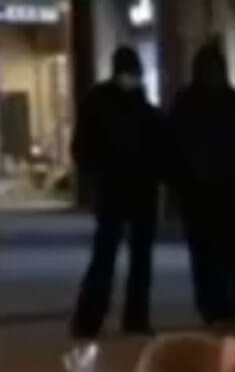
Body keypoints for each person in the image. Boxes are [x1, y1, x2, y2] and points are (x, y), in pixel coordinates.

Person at [70, 46, 168, 338]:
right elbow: (82, 147)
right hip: (114, 189)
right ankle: (93, 319)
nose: (133, 78)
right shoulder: (102, 104)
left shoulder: (139, 106)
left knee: (134, 258)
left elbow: (160, 145)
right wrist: (97, 175)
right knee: (107, 257)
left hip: (137, 190)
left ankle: (131, 318)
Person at [168, 44, 235, 325]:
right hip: (202, 194)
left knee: (234, 254)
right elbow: (175, 148)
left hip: (231, 192)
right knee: (209, 255)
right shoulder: (190, 103)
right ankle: (217, 305)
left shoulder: (233, 102)